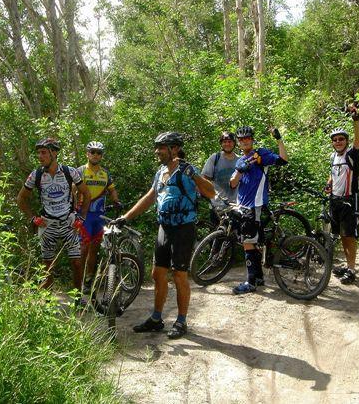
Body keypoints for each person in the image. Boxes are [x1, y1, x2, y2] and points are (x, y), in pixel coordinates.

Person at [112, 132, 215, 339]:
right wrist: (126, 217)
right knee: (158, 274)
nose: (157, 151)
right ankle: (157, 319)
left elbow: (211, 192)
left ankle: (181, 321)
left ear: (174, 149)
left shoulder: (187, 170)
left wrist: (193, 174)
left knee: (179, 275)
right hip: (164, 228)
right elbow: (150, 197)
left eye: (161, 147)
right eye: (156, 147)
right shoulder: (160, 172)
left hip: (184, 229)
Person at [17, 137, 91, 291]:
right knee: (47, 266)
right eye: (38, 153)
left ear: (54, 153)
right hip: (48, 225)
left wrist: (81, 217)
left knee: (77, 263)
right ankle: (48, 303)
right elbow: (21, 199)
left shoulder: (69, 172)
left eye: (44, 152)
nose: (40, 156)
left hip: (68, 223)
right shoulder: (35, 175)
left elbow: (86, 194)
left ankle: (77, 299)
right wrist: (33, 218)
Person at [229, 126, 288, 294]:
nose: (244, 141)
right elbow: (233, 183)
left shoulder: (261, 154)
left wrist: (278, 139)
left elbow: (283, 159)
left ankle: (250, 282)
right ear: (238, 143)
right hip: (243, 206)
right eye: (241, 139)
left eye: (247, 138)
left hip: (254, 206)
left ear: (252, 139)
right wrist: (241, 169)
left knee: (248, 243)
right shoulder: (241, 159)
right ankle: (259, 277)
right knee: (251, 242)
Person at [77, 141, 122, 292]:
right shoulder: (80, 171)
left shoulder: (105, 173)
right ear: (87, 154)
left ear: (101, 156)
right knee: (83, 249)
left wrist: (116, 200)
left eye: (99, 152)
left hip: (99, 216)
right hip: (84, 216)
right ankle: (79, 279)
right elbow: (73, 191)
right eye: (93, 152)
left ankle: (89, 280)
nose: (96, 155)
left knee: (94, 249)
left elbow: (112, 189)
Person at [326, 102, 359, 285]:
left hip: (350, 200)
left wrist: (355, 118)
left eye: (341, 139)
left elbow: (358, 140)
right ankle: (347, 266)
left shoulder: (351, 154)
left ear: (346, 141)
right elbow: (334, 174)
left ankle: (352, 269)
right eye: (335, 139)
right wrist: (329, 183)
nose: (338, 142)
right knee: (340, 233)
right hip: (335, 200)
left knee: (349, 235)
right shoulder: (333, 157)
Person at [202, 131, 239, 221]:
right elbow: (204, 178)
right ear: (221, 144)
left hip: (236, 205)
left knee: (235, 233)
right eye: (224, 142)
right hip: (217, 206)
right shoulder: (215, 158)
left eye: (230, 141)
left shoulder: (239, 160)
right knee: (217, 232)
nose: (227, 144)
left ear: (234, 143)